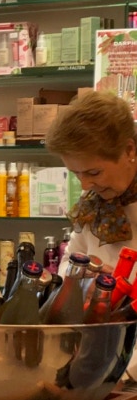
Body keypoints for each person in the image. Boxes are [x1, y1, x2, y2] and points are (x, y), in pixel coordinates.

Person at [45, 91, 137, 268]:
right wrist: (81, 277)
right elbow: (69, 260)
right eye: (76, 173)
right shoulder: (94, 201)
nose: (85, 185)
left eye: (94, 173)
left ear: (129, 150)